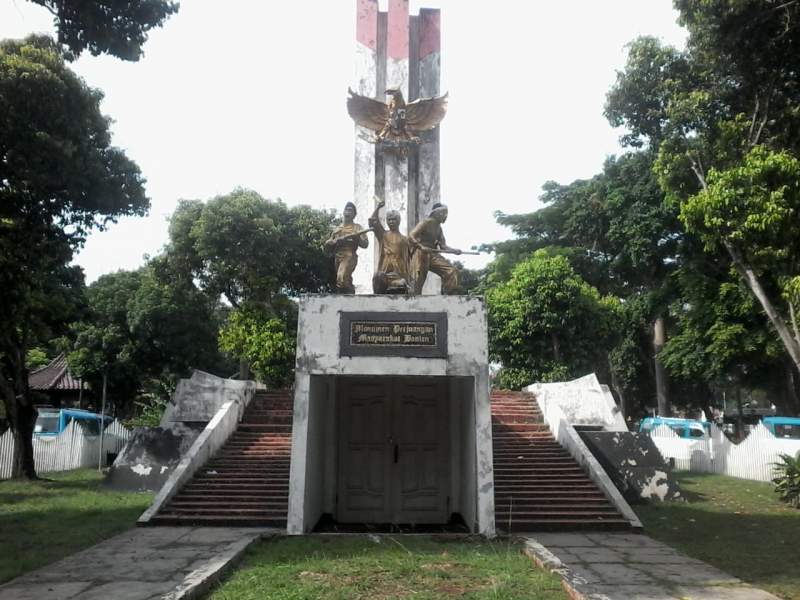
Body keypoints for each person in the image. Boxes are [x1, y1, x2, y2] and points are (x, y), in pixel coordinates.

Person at [408, 202, 461, 294]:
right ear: (438, 213)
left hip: (433, 254)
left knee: (451, 271)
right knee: (420, 278)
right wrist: (421, 246)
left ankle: (449, 295)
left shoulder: (439, 228)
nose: (445, 216)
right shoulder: (425, 223)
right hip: (421, 253)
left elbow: (443, 246)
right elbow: (411, 236)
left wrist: (454, 251)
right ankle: (415, 297)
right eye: (444, 214)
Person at [369, 198, 413, 294]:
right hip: (384, 271)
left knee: (401, 284)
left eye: (394, 219)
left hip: (398, 272)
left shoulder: (404, 239)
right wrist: (378, 208)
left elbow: (409, 258)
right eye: (389, 220)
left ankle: (398, 285)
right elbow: (372, 222)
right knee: (377, 277)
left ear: (398, 221)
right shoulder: (383, 235)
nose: (391, 222)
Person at [324, 202, 368, 294]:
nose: (348, 212)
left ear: (354, 215)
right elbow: (327, 249)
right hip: (337, 257)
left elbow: (365, 244)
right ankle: (350, 291)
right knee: (344, 281)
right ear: (343, 212)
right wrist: (330, 243)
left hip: (349, 255)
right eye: (346, 209)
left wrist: (357, 238)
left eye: (351, 210)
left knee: (341, 278)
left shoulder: (358, 228)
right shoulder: (337, 229)